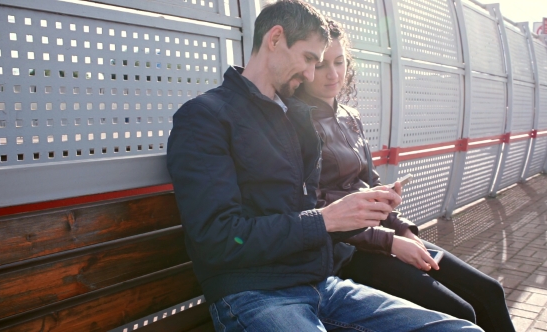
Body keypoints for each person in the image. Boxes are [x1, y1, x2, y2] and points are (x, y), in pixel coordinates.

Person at [167, 0, 483, 330]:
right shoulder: (205, 117)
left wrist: (365, 211)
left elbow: (312, 216)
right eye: (308, 59)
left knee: (461, 327)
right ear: (275, 39)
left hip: (323, 286)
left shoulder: (295, 117)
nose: (309, 74)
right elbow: (218, 239)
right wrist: (328, 220)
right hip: (253, 292)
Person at [293, 19, 515, 332]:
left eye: (340, 62)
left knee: (489, 291)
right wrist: (392, 243)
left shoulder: (349, 116)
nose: (333, 74)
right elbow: (312, 206)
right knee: (459, 310)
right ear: (303, 69)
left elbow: (369, 185)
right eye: (320, 64)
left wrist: (405, 231)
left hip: (383, 237)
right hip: (346, 251)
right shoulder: (296, 123)